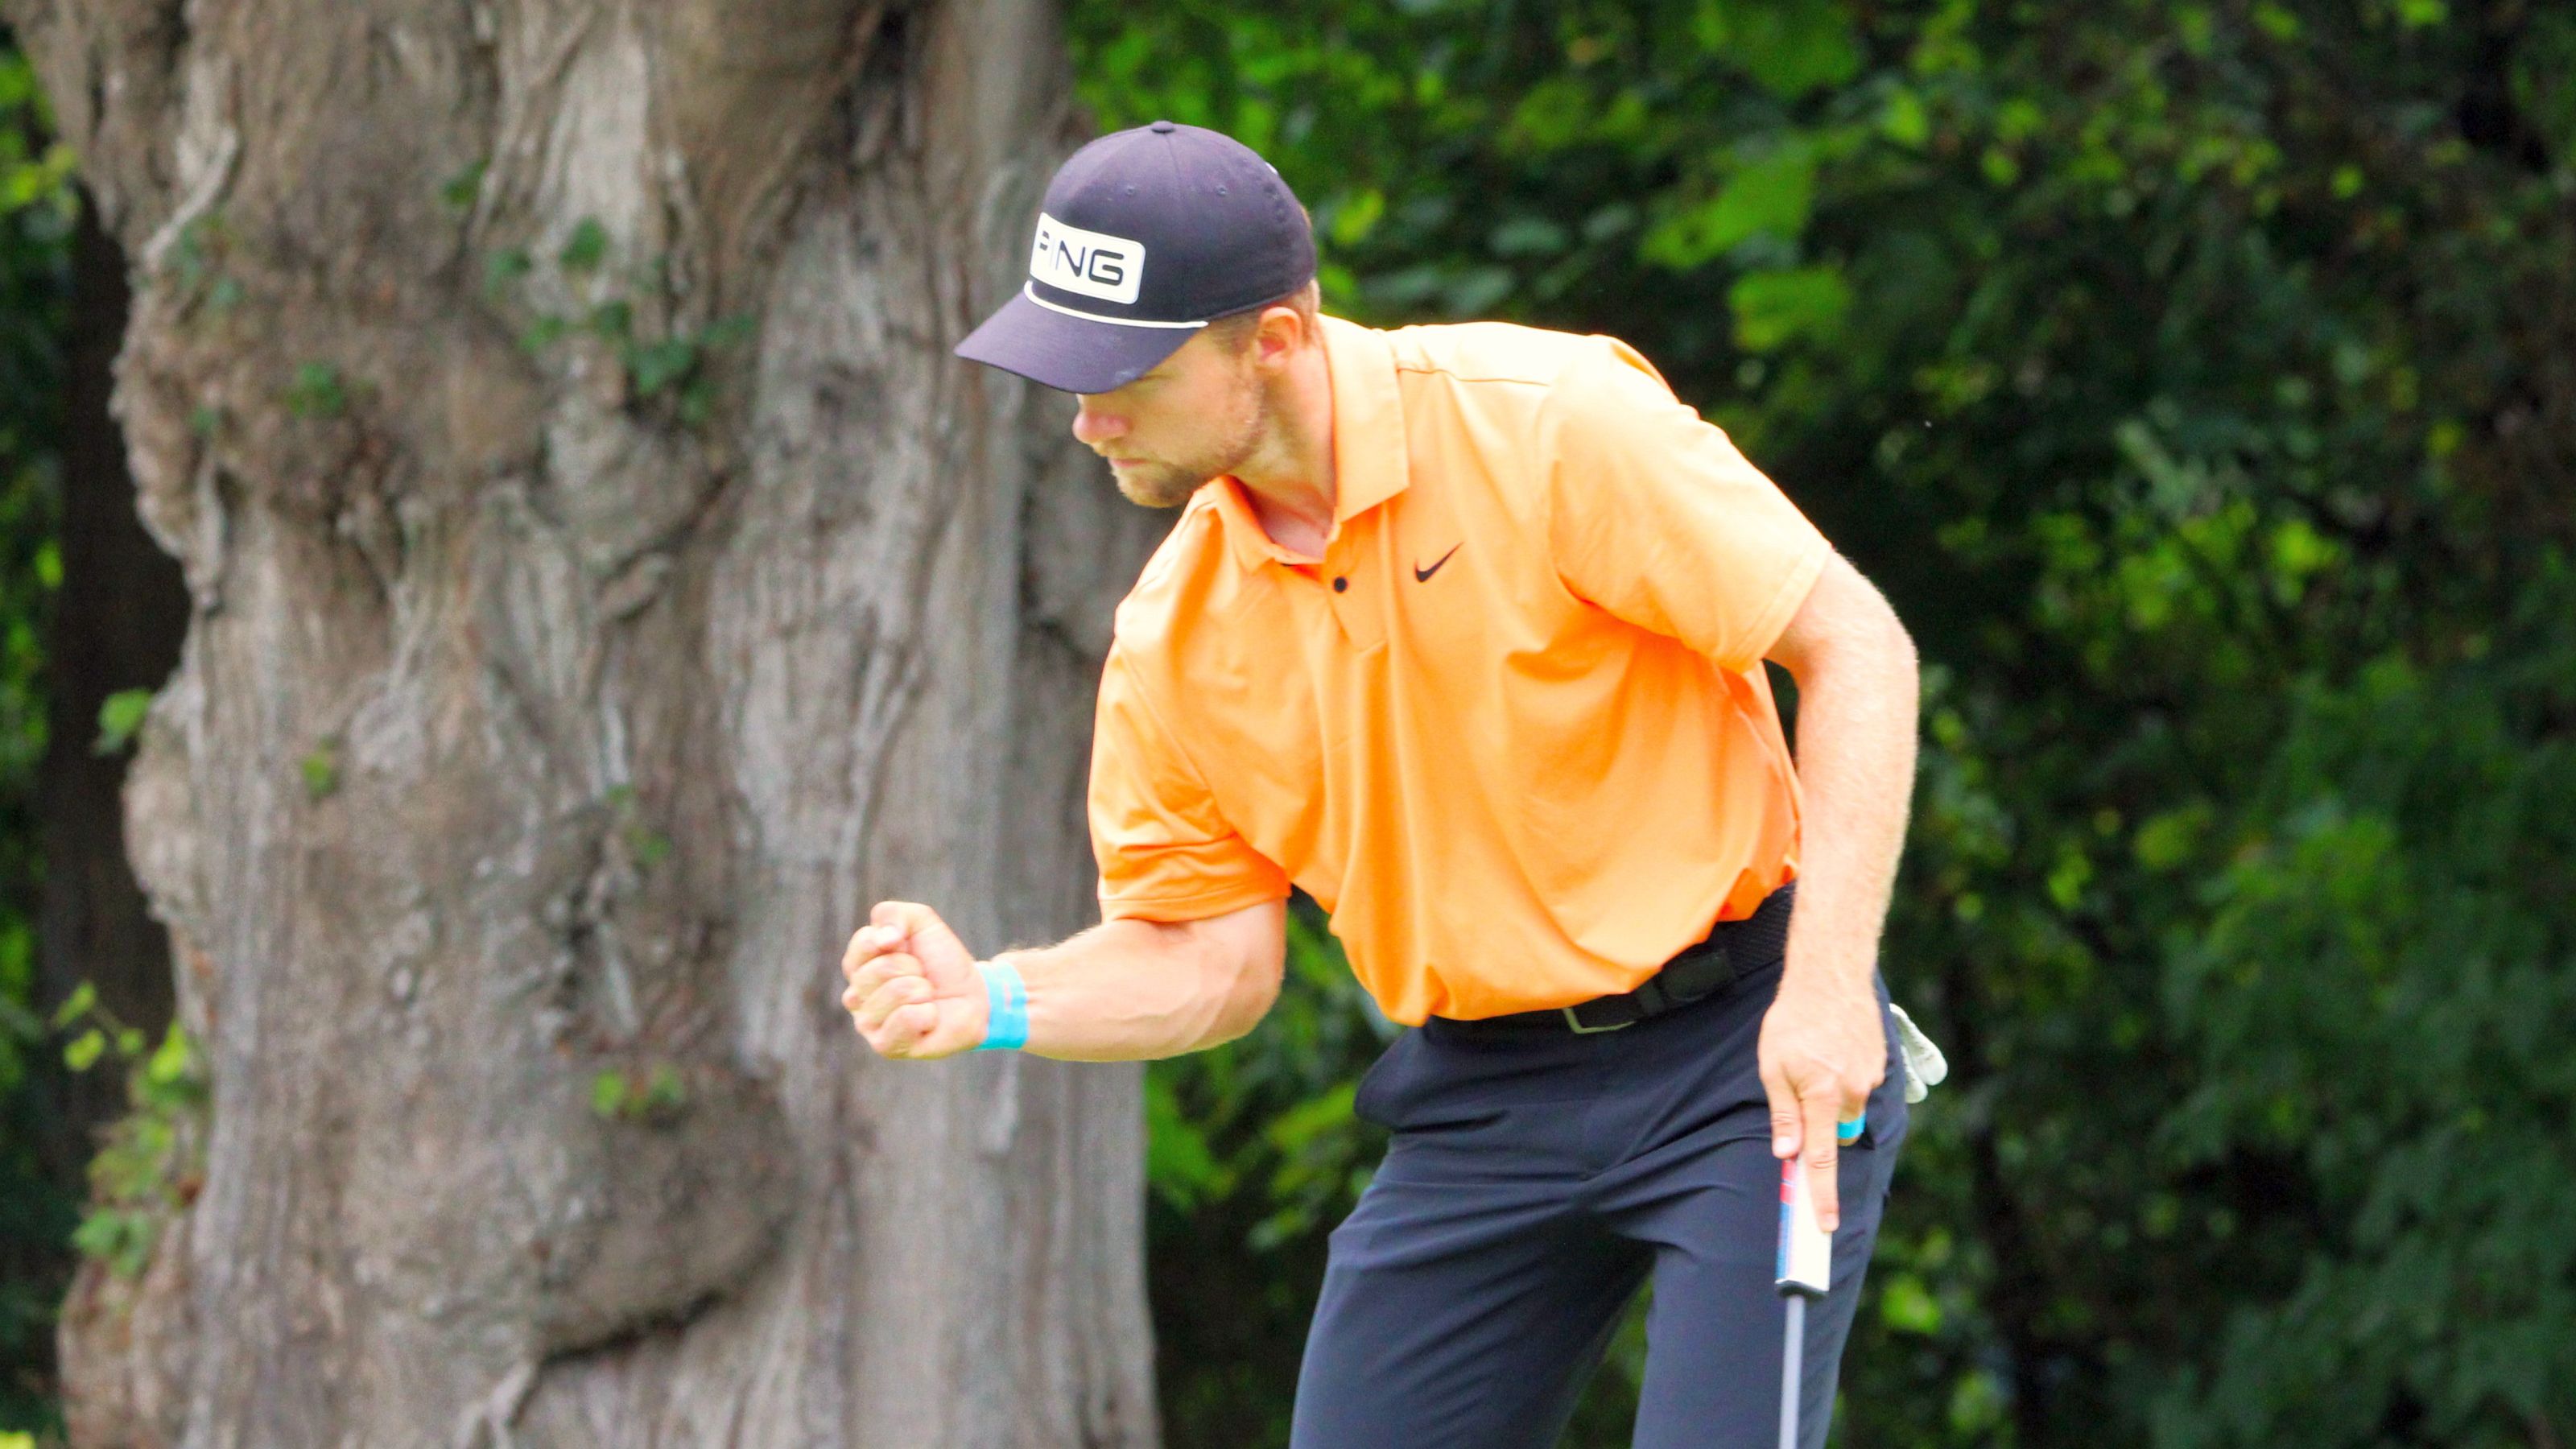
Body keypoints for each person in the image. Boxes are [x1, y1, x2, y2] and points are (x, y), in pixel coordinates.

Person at [840, 120, 1927, 1448]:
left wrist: (1826, 993)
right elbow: (1213, 968)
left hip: (1745, 1058)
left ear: (1278, 342)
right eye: (1067, 371)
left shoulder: (1550, 428)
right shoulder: (1175, 636)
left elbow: (1856, 647)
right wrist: (995, 1000)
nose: (1085, 418)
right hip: (1484, 1101)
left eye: (1126, 369)